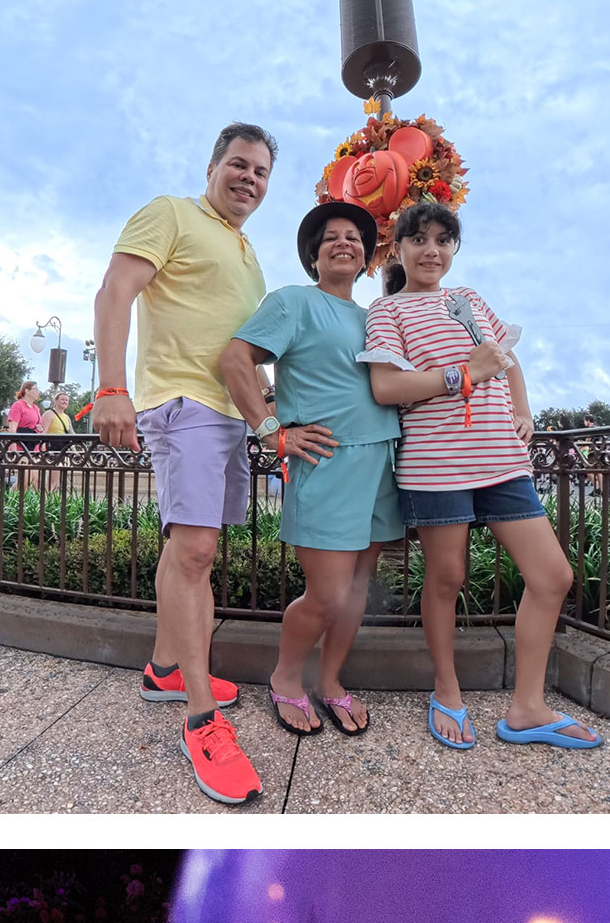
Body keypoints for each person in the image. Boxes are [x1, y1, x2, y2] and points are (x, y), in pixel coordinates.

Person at [362, 201, 595, 750]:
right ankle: (447, 690)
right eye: (419, 240)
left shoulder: (469, 300)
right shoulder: (386, 312)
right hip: (436, 463)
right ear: (398, 248)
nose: (432, 251)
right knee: (447, 579)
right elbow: (386, 389)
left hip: (500, 459)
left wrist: (523, 409)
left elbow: (506, 357)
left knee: (552, 576)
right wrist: (463, 375)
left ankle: (527, 708)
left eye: (443, 240)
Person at [92, 122, 274, 806]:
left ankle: (165, 669)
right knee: (195, 549)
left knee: (194, 549)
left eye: (260, 172)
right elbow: (115, 291)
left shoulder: (248, 252)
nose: (249, 179)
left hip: (228, 413)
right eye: (238, 164)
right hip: (180, 402)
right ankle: (201, 720)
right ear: (212, 166)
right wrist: (113, 388)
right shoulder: (172, 212)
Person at [218, 200, 398, 737]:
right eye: (331, 238)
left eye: (355, 238)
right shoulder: (294, 303)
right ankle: (287, 677)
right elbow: (235, 359)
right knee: (327, 593)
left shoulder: (375, 317)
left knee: (359, 587)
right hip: (327, 460)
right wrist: (272, 430)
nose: (345, 243)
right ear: (313, 257)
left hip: (383, 460)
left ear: (368, 257)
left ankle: (333, 681)